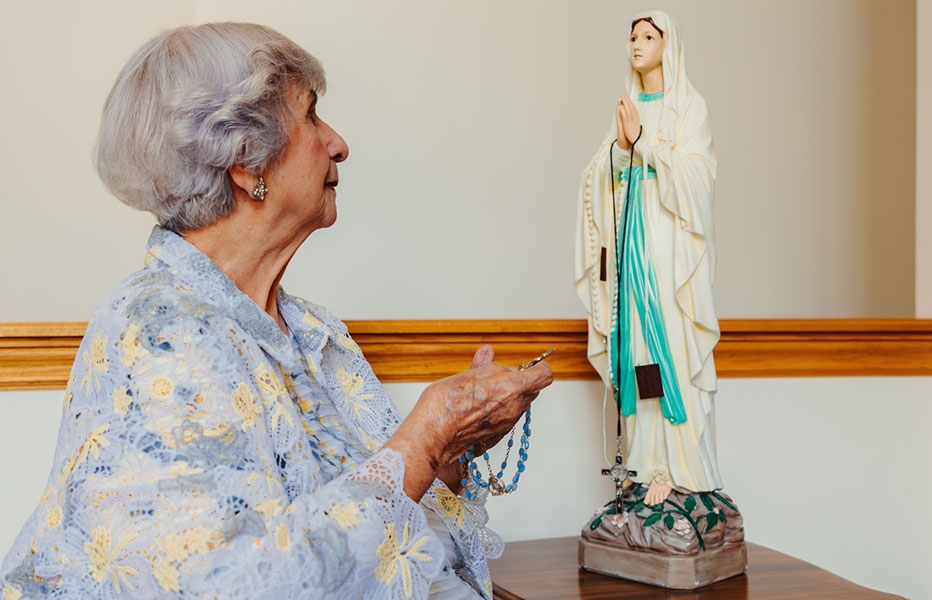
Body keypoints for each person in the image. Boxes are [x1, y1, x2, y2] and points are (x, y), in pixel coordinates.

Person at [0, 23, 552, 599]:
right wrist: (425, 435)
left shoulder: (312, 331)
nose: (338, 143)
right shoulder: (159, 330)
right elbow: (232, 584)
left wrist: (449, 451)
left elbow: (369, 533)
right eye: (312, 116)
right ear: (246, 163)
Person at [575, 10, 721, 507]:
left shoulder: (689, 108)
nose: (636, 44)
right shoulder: (629, 105)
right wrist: (621, 148)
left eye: (647, 36)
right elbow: (605, 171)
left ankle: (676, 466)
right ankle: (645, 459)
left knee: (671, 348)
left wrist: (647, 148)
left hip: (668, 253)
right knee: (636, 349)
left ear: (668, 43)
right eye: (632, 36)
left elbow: (699, 178)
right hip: (630, 248)